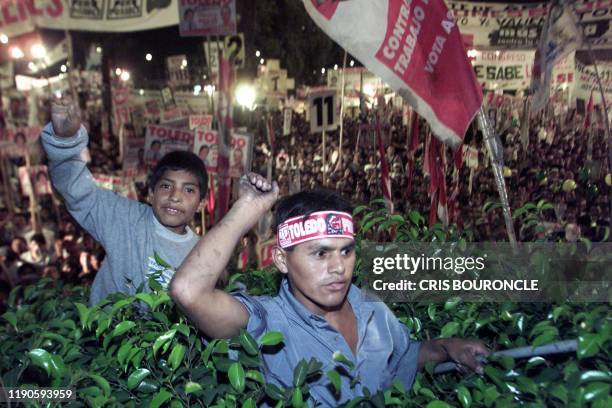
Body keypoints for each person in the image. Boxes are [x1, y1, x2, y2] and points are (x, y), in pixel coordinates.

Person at [170, 176, 488, 406]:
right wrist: (247, 209)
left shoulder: (372, 309)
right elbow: (188, 291)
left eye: (346, 251)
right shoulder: (266, 322)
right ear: (281, 259)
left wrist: (447, 348)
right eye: (320, 253)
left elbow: (403, 356)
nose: (338, 267)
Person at [41, 100, 208, 305]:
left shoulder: (205, 252)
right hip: (108, 336)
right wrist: (65, 141)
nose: (175, 196)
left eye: (189, 190)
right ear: (150, 194)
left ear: (201, 203)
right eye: (166, 186)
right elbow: (78, 192)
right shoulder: (125, 219)